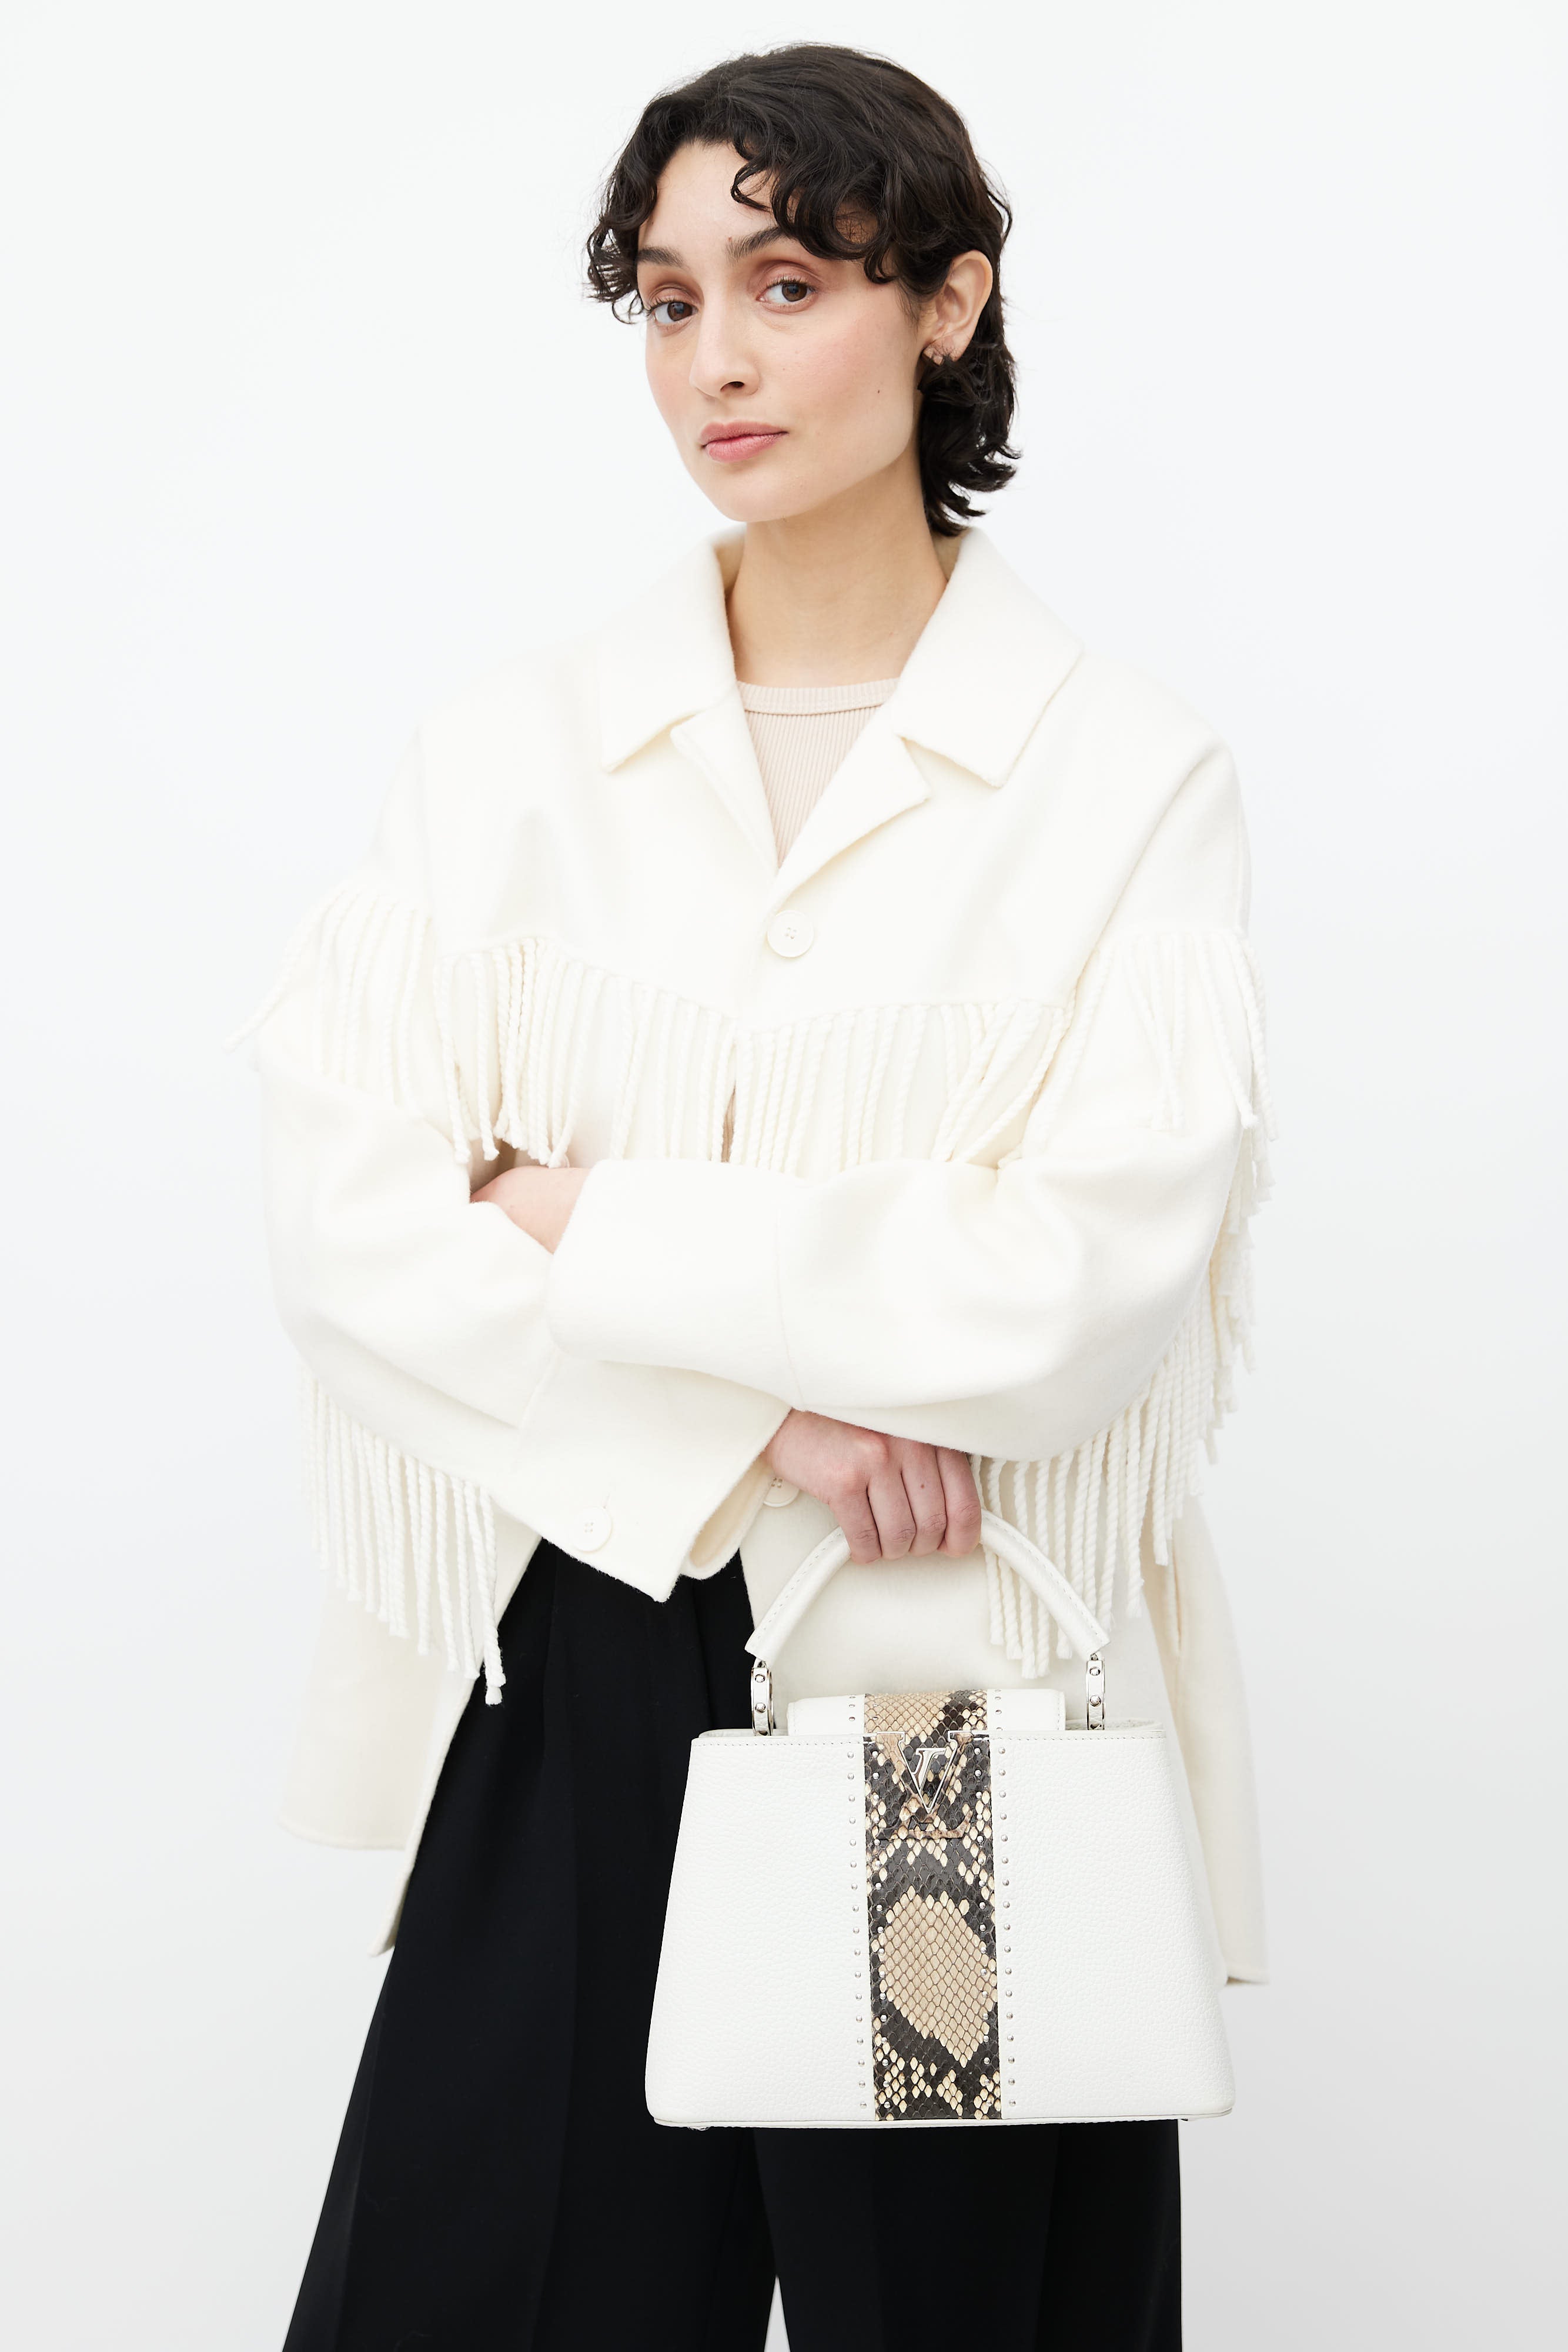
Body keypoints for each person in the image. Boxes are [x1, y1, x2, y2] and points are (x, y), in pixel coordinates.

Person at [245, 44, 1271, 2351]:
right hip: (580, 1636)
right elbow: (354, 1237)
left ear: (945, 303)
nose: (712, 354)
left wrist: (574, 1211)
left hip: (940, 1694)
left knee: (955, 2316)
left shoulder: (1122, 779)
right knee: (491, 2290)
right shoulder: (504, 760)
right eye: (667, 296)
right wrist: (764, 1419)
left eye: (787, 283)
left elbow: (1066, 1291)